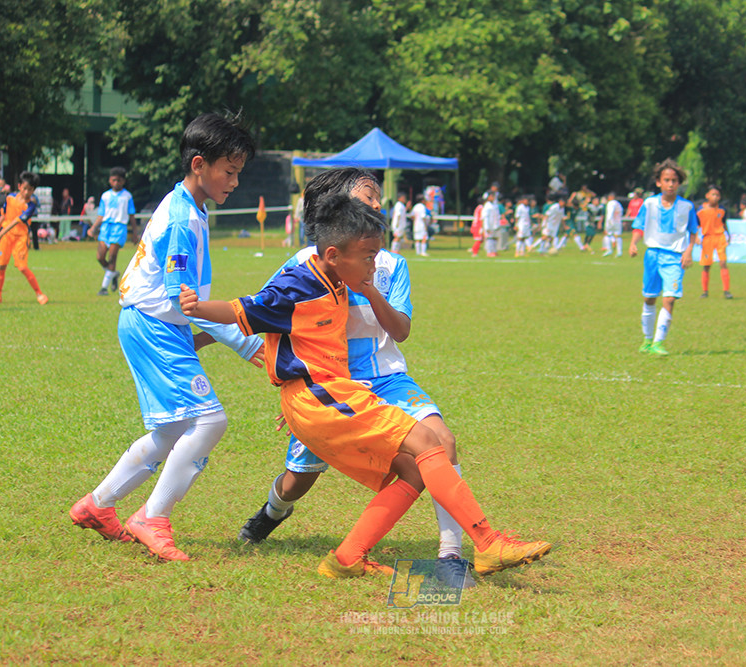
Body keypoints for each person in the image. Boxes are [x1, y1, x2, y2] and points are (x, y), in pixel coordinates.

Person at [181, 193, 551, 578]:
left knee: (415, 468)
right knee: (425, 443)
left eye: (376, 253)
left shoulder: (337, 277)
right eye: (368, 256)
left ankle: (347, 558)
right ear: (334, 254)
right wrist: (198, 309)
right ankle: (489, 544)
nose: (376, 264)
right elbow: (245, 309)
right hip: (318, 396)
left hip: (328, 394)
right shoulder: (300, 283)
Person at [238, 169, 476, 585]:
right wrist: (293, 393)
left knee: (441, 443)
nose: (378, 204)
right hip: (329, 387)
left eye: (379, 198)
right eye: (369, 196)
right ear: (340, 205)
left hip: (387, 379)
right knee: (298, 482)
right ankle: (272, 512)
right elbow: (270, 317)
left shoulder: (391, 264)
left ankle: (451, 556)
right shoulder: (301, 265)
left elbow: (400, 330)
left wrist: (371, 290)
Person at [68, 113, 263, 562]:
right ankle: (151, 517)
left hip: (152, 322)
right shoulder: (182, 218)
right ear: (200, 164)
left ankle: (97, 505)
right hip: (153, 324)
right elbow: (189, 302)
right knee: (210, 422)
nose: (234, 181)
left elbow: (187, 303)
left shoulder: (189, 206)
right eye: (229, 171)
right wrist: (247, 341)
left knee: (173, 428)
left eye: (238, 172)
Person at [629, 159, 698, 356]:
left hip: (675, 257)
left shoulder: (687, 207)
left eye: (674, 180)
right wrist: (634, 242)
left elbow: (693, 231)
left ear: (679, 183)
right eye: (666, 180)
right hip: (652, 255)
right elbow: (639, 225)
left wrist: (688, 250)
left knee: (669, 298)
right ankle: (647, 340)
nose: (670, 184)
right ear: (658, 182)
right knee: (649, 298)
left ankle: (659, 343)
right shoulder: (649, 204)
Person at [0, 172, 49, 306]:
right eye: (24, 188)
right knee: (1, 265)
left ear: (33, 190)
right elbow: (4, 216)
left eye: (30, 190)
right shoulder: (9, 198)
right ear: (19, 186)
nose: (26, 192)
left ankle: (39, 293)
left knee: (22, 267)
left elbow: (16, 221)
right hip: (6, 236)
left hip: (20, 237)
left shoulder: (30, 206)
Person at [88, 167, 136, 295]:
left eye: (119, 180)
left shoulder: (127, 196)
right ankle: (113, 274)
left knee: (112, 257)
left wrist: (135, 234)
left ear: (123, 181)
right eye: (114, 180)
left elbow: (131, 215)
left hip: (119, 228)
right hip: (106, 228)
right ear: (110, 180)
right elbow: (101, 215)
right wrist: (93, 228)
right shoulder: (105, 196)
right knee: (100, 257)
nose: (116, 183)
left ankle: (104, 288)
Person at [696, 185, 732, 299]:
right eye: (713, 194)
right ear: (707, 196)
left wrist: (728, 234)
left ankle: (726, 291)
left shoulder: (722, 209)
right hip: (707, 238)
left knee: (722, 262)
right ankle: (705, 291)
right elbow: (696, 225)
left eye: (717, 195)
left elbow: (724, 223)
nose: (715, 197)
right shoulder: (701, 210)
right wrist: (697, 236)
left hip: (720, 237)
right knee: (706, 265)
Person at [603, 192, 624, 258]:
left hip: (611, 222)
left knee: (607, 235)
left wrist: (609, 221)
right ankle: (619, 251)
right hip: (618, 222)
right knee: (618, 236)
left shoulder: (611, 203)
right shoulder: (618, 204)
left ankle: (609, 249)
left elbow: (610, 213)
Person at [481, 190, 500, 257]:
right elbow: (485, 217)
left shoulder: (495, 205)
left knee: (495, 238)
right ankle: (489, 252)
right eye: (492, 196)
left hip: (495, 225)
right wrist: (487, 227)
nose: (493, 197)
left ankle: (494, 251)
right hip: (489, 225)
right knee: (489, 238)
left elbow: (497, 215)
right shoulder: (487, 206)